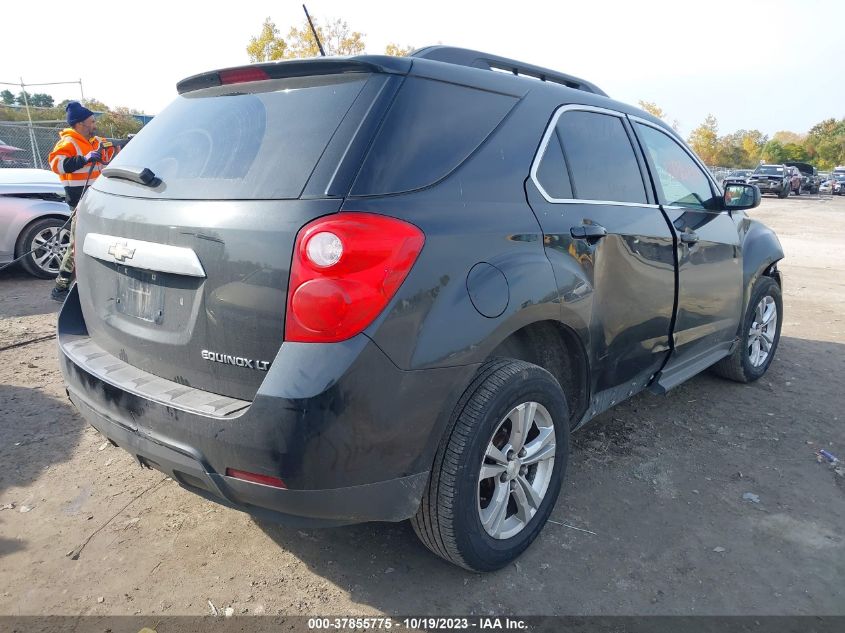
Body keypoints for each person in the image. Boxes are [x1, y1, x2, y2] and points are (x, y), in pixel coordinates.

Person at [48, 101, 115, 301]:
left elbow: (108, 155)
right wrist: (84, 158)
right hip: (80, 202)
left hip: (97, 201)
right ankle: (60, 287)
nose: (95, 124)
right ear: (79, 124)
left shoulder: (95, 142)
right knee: (76, 244)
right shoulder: (68, 142)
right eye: (91, 121)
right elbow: (56, 164)